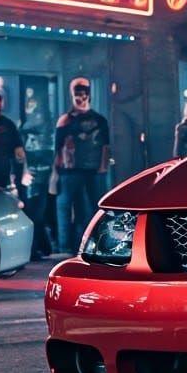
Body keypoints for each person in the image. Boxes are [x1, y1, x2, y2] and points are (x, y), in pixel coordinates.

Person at [55, 77, 110, 252]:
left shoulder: (100, 120)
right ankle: (67, 248)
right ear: (72, 95)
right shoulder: (65, 120)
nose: (81, 97)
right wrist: (56, 173)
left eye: (84, 93)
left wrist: (102, 167)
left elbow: (106, 146)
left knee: (95, 209)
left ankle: (96, 246)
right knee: (69, 210)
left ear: (89, 95)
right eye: (77, 93)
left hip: (93, 171)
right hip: (70, 173)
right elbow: (57, 149)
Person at [19, 92, 56, 260]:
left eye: (34, 103)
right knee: (32, 214)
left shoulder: (49, 127)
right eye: (29, 104)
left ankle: (39, 249)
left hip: (44, 174)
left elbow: (54, 151)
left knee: (39, 214)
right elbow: (20, 153)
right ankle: (35, 250)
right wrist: (23, 172)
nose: (31, 108)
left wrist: (53, 175)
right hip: (31, 175)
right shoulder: (23, 128)